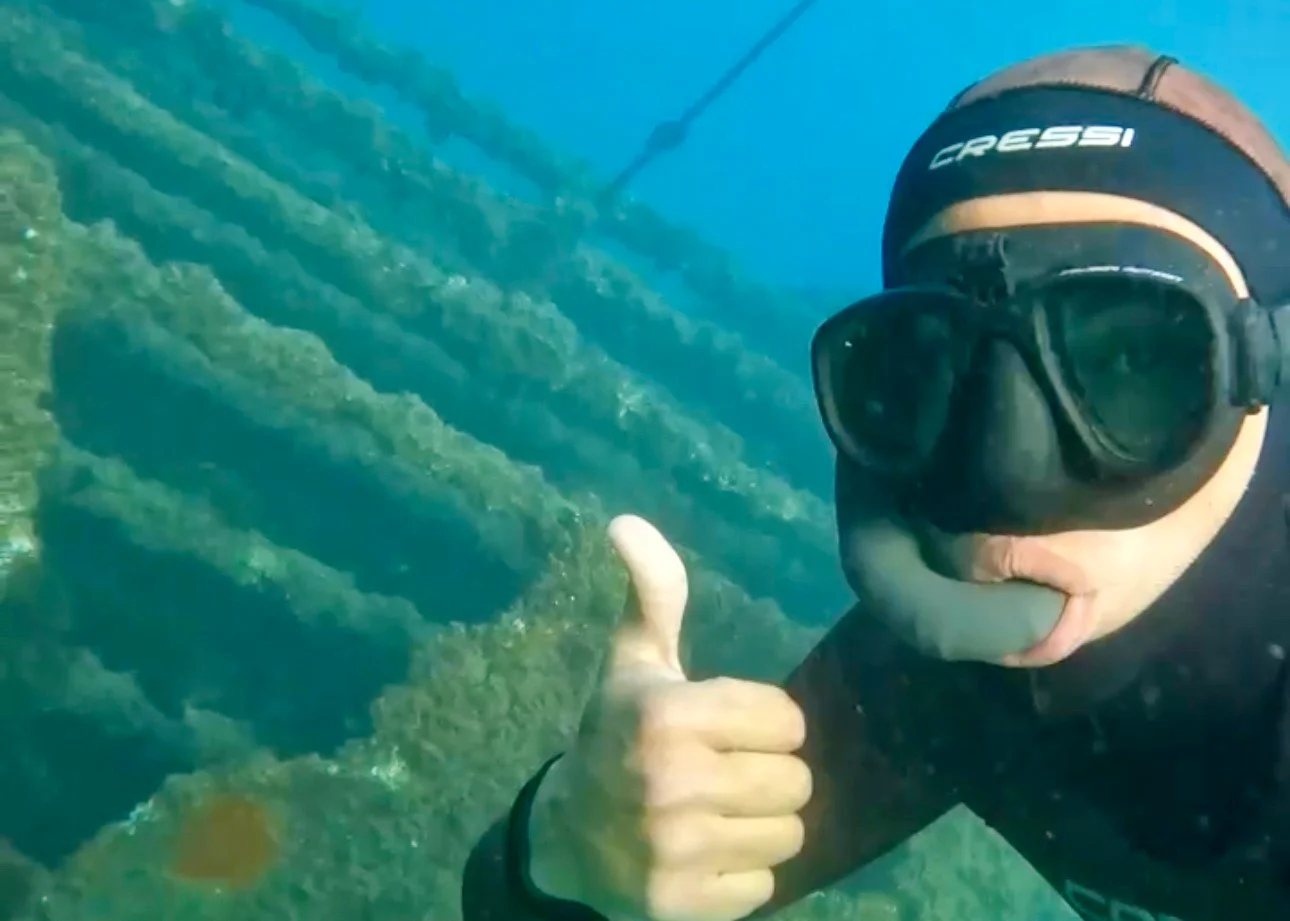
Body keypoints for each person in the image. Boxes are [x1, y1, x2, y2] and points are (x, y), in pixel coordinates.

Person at [460, 45, 1290, 921]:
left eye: (1129, 362)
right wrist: (565, 847)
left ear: (1263, 369)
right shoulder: (947, 676)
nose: (1007, 474)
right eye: (937, 369)